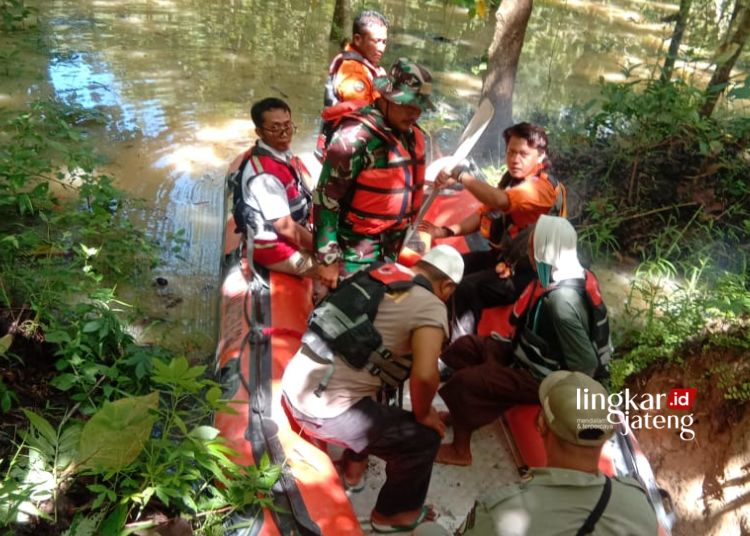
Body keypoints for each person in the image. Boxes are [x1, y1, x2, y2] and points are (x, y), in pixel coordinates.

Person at [281, 245, 464, 533]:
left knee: (376, 384)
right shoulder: (432, 306)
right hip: (323, 410)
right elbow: (426, 376)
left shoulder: (380, 271)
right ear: (448, 286)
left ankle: (353, 472)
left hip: (296, 383)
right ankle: (394, 515)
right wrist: (424, 413)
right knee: (423, 439)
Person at [436, 215, 610, 466]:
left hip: (542, 377)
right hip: (523, 354)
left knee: (467, 383)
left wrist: (555, 397)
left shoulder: (561, 304)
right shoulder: (559, 273)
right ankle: (460, 415)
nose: (527, 247)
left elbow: (585, 364)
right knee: (466, 348)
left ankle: (460, 450)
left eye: (532, 243)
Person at [415, 372, 659, 535]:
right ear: (608, 434)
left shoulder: (503, 510)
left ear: (541, 424)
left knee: (425, 532)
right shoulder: (638, 501)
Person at [420, 122, 566, 339]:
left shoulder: (541, 189)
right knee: (450, 269)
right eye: (511, 152)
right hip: (505, 260)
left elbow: (501, 201)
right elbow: (483, 214)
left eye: (524, 154)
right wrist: (444, 232)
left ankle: (458, 351)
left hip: (533, 273)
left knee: (467, 289)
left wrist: (462, 175)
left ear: (540, 156)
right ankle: (434, 327)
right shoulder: (513, 180)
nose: (515, 159)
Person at [314, 58, 434, 288]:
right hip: (355, 252)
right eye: (408, 105)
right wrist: (327, 258)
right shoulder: (353, 138)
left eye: (419, 107)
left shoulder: (411, 134)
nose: (415, 113)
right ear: (387, 98)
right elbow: (325, 199)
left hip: (392, 248)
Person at [323, 10, 389, 107]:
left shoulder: (366, 65)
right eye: (376, 41)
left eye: (384, 42)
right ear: (358, 40)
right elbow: (361, 111)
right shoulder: (352, 71)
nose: (381, 49)